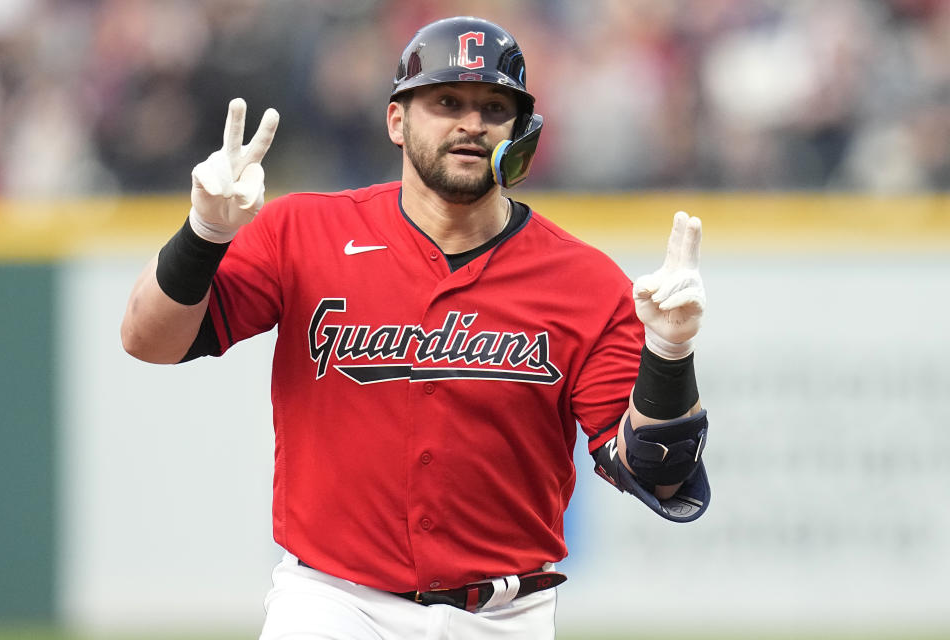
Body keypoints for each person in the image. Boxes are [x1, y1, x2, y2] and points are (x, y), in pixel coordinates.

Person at [120, 15, 710, 640]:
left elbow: (655, 472)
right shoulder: (304, 232)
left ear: (521, 132)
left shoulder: (583, 281)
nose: (472, 123)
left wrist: (670, 352)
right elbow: (150, 340)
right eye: (446, 101)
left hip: (506, 615)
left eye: (494, 106)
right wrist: (203, 235)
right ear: (397, 120)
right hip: (331, 602)